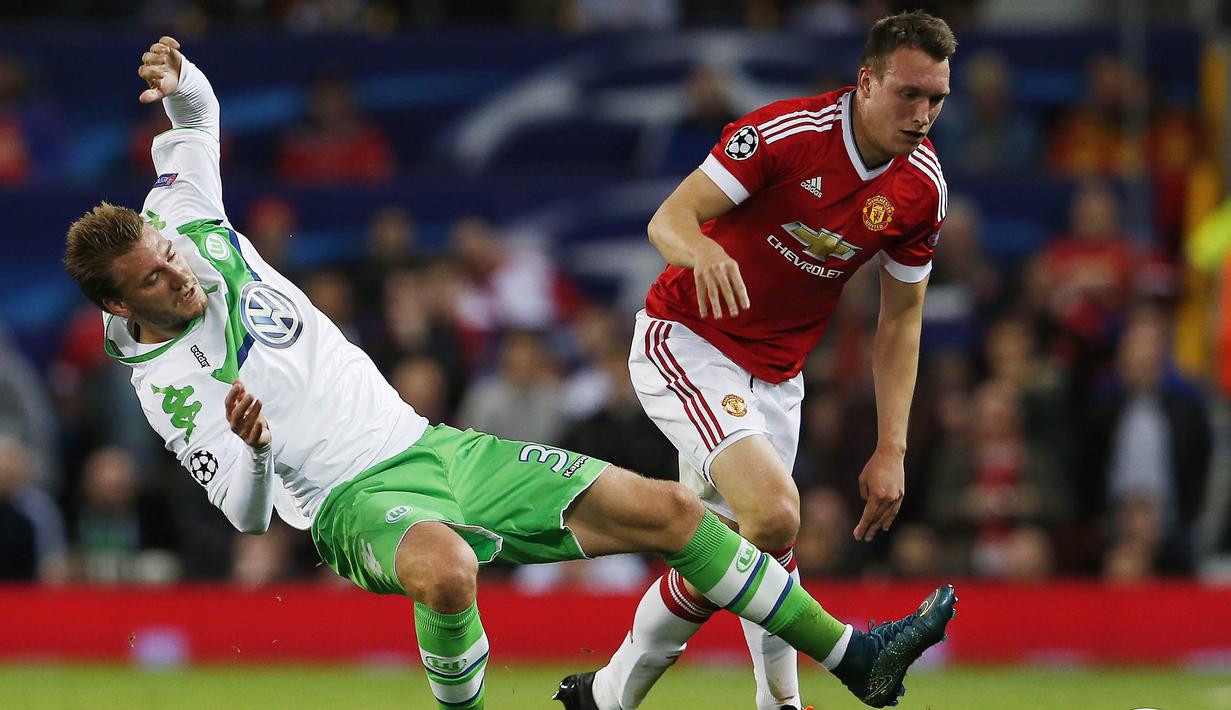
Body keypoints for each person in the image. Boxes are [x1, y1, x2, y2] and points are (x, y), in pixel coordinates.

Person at [61, 37, 956, 710]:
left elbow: (195, 125)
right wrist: (254, 446)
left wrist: (183, 79)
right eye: (152, 280)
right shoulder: (169, 384)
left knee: (675, 511)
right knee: (447, 570)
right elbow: (246, 514)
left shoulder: (179, 215)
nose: (176, 271)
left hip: (434, 446)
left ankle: (854, 659)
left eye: (166, 253)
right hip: (349, 502)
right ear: (118, 307)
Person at [563, 12, 957, 710]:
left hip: (777, 377)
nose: (921, 115)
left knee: (728, 549)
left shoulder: (920, 188)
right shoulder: (787, 133)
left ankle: (608, 697)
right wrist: (703, 249)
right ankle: (818, 680)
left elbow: (901, 318)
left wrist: (890, 446)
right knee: (773, 516)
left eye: (935, 99)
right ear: (865, 82)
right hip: (685, 339)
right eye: (907, 94)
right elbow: (668, 220)